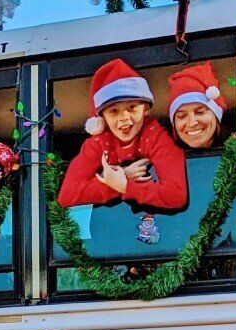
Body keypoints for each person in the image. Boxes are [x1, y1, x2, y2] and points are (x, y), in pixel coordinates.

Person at [56, 58, 190, 221]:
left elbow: (176, 195)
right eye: (113, 111)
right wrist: (115, 181)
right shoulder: (97, 144)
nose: (124, 118)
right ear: (102, 117)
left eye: (132, 107)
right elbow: (67, 196)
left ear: (146, 108)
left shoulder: (155, 136)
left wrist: (127, 187)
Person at [167, 62, 227, 152]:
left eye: (200, 112)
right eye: (181, 116)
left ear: (216, 116)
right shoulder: (160, 160)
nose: (191, 123)